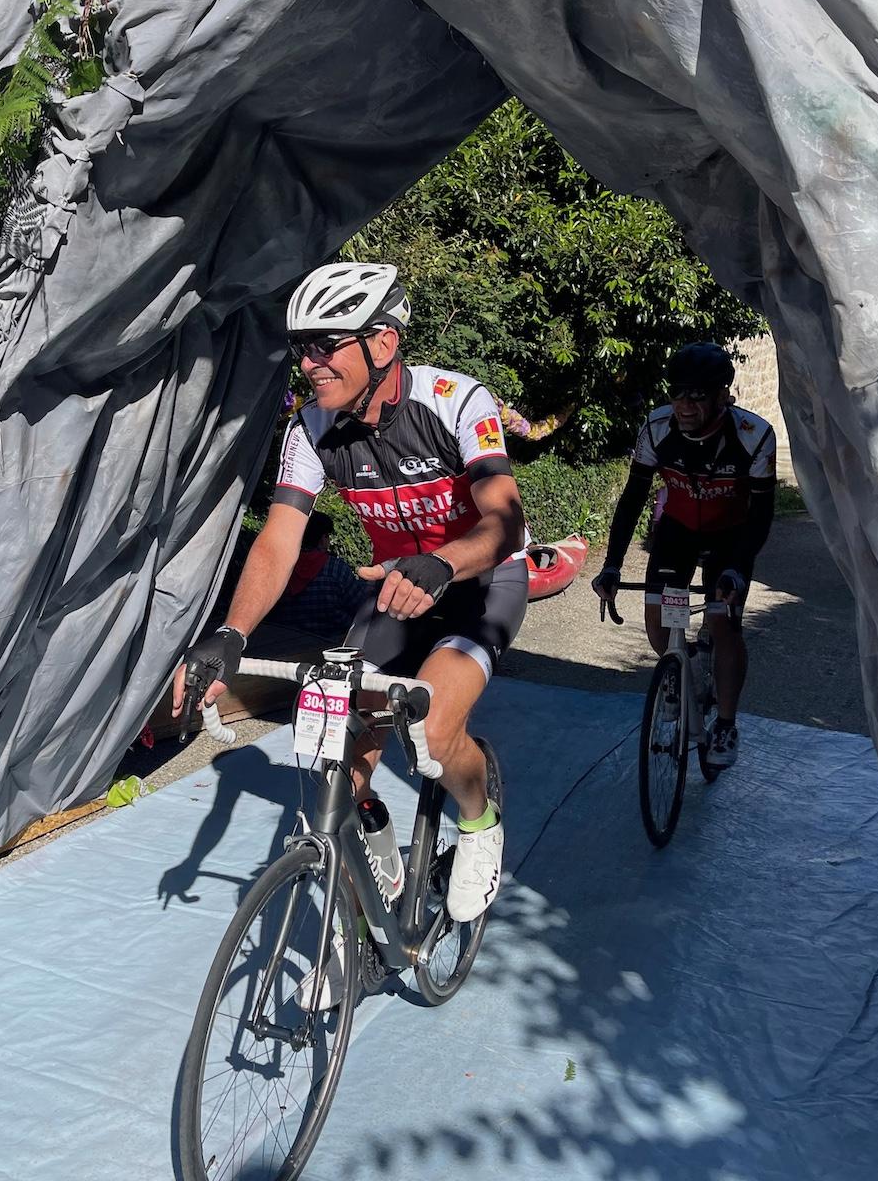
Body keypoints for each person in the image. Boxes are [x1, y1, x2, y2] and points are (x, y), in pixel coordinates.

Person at [171, 261, 528, 934]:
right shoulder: (309, 429)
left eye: (324, 345)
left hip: (479, 583)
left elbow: (503, 521)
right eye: (300, 348)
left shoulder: (456, 401)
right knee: (336, 744)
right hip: (394, 592)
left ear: (383, 342)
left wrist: (442, 563)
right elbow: (279, 540)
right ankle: (369, 865)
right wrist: (233, 634)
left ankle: (479, 821)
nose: (309, 364)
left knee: (431, 728)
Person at [591, 342, 776, 768]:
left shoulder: (753, 436)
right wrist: (613, 564)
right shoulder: (657, 428)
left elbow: (761, 514)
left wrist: (737, 568)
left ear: (722, 396)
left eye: (697, 394)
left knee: (723, 625)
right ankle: (684, 671)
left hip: (731, 537)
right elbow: (633, 497)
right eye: (677, 393)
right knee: (659, 628)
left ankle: (726, 723)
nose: (684, 404)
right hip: (677, 533)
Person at [267, 510, 370, 639]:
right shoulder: (336, 569)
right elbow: (359, 607)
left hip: (279, 645)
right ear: (323, 538)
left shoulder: (278, 567)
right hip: (329, 646)